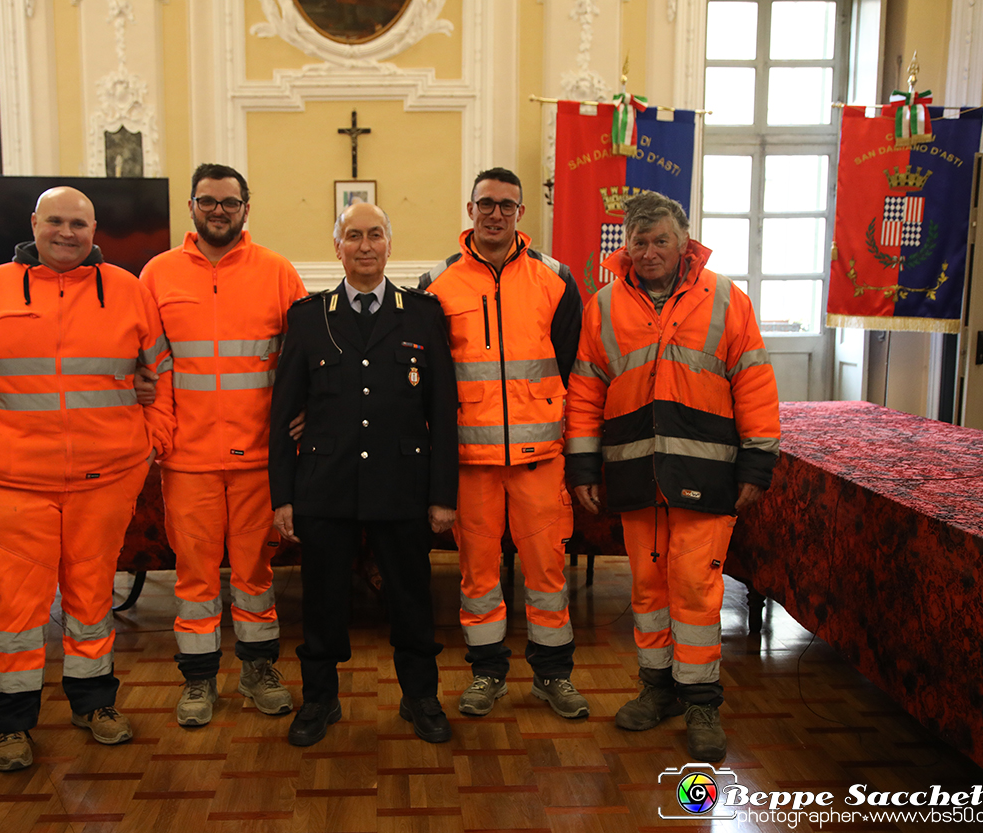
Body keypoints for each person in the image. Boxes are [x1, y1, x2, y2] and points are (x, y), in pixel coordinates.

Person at [0, 186, 174, 771]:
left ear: (95, 231)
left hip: (105, 479)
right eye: (56, 221)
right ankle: (11, 726)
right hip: (9, 485)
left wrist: (151, 442)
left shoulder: (127, 290)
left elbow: (160, 373)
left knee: (93, 601)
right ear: (34, 223)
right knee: (14, 614)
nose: (67, 233)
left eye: (80, 224)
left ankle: (95, 706)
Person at [564, 191, 780, 761]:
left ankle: (701, 701)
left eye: (661, 239)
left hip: (707, 474)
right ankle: (656, 689)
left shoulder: (727, 299)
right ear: (626, 247)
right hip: (635, 473)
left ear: (685, 241)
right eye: (640, 241)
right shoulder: (603, 306)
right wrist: (583, 465)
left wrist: (758, 462)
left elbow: (754, 383)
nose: (650, 250)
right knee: (647, 589)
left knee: (693, 585)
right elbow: (586, 392)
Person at [269, 202, 458, 747]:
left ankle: (421, 698)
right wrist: (284, 495)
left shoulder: (423, 313)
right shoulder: (308, 317)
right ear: (338, 247)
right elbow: (284, 415)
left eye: (375, 235)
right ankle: (320, 702)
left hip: (403, 483)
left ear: (389, 245)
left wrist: (442, 494)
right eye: (354, 236)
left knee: (411, 600)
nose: (365, 245)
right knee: (323, 603)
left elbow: (442, 412)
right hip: (324, 486)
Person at [139, 163, 307, 726]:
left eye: (229, 202)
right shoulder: (157, 275)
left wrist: (303, 421)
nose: (218, 210)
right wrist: (158, 437)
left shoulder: (278, 272)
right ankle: (199, 681)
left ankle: (259, 671)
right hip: (186, 460)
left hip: (259, 458)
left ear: (245, 209)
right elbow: (148, 366)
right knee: (194, 579)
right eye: (208, 201)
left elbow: (303, 360)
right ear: (191, 206)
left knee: (257, 576)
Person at [418, 168, 587, 719]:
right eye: (486, 204)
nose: (496, 214)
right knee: (479, 576)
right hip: (472, 462)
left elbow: (572, 369)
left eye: (507, 206)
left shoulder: (556, 278)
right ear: (470, 210)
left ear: (520, 214)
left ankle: (552, 677)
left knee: (546, 573)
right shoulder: (436, 285)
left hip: (540, 460)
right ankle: (487, 674)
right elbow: (430, 384)